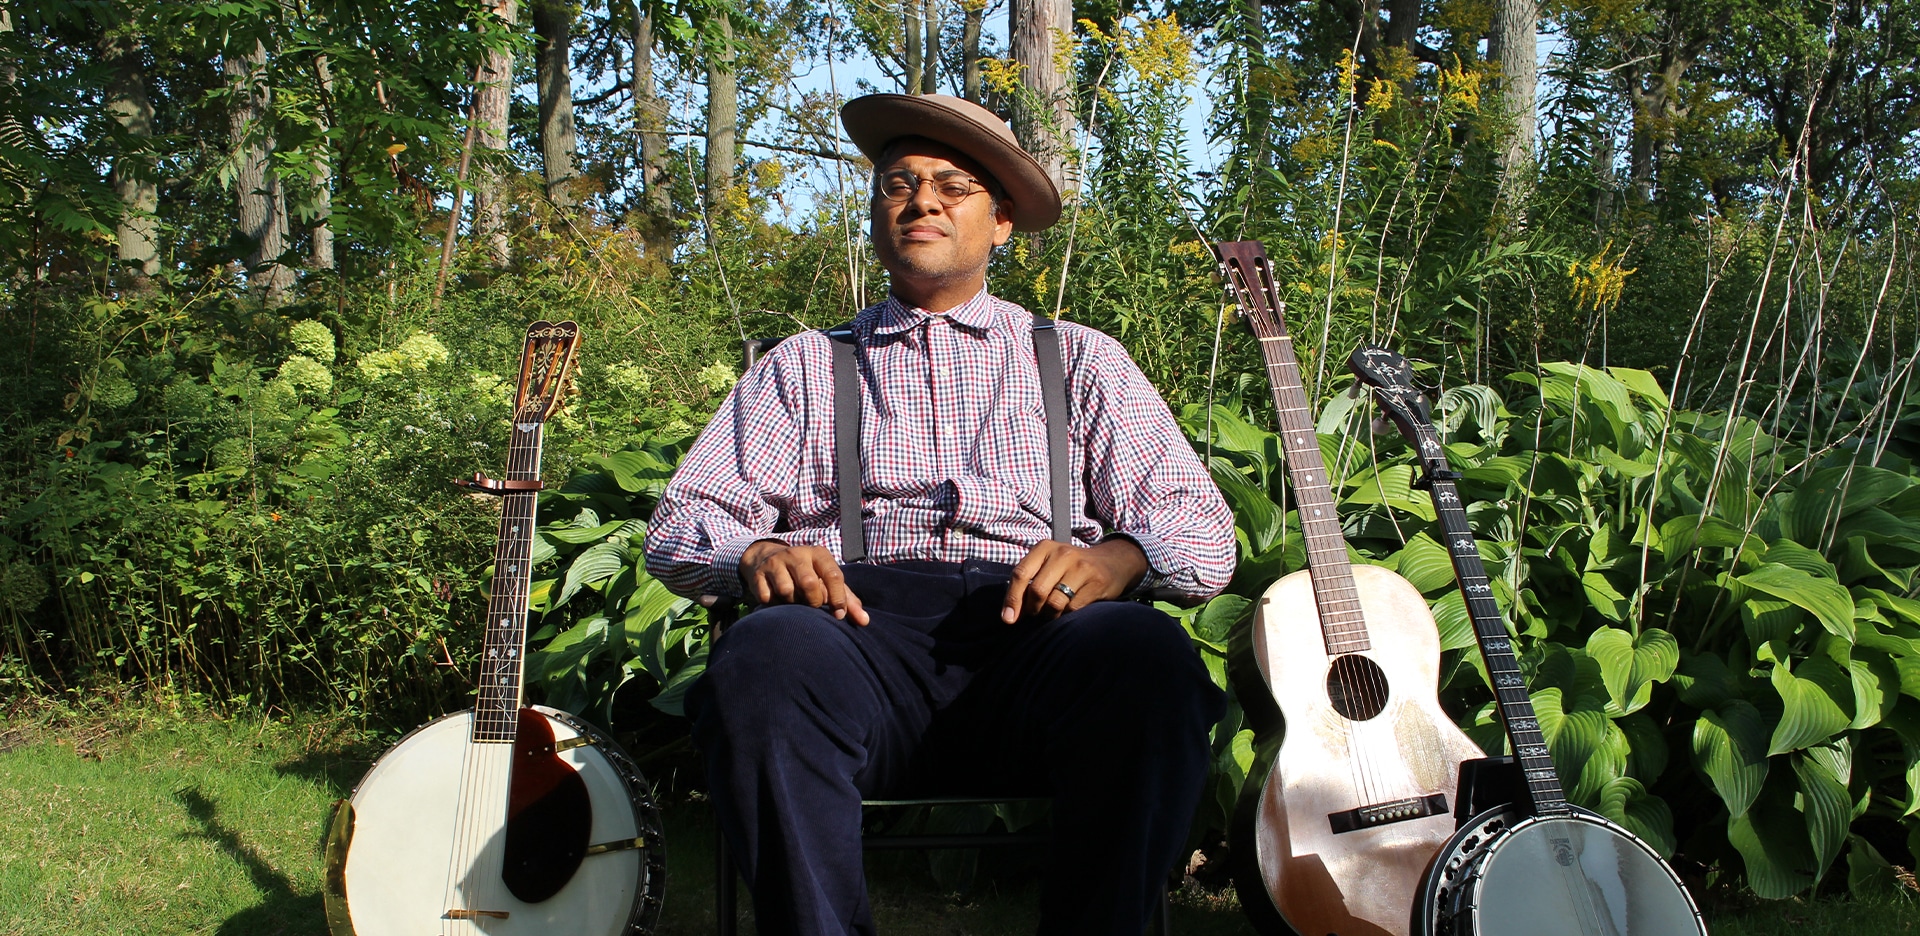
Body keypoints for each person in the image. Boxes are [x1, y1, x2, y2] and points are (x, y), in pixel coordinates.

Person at [644, 92, 1236, 936]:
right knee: (763, 654)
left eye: (952, 185)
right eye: (898, 183)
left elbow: (1207, 537)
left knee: (1148, 655)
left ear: (1000, 223)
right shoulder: (805, 367)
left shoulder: (1081, 360)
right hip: (854, 644)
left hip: (1038, 648)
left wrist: (1122, 558)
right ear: (878, 217)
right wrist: (756, 554)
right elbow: (678, 525)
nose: (920, 199)